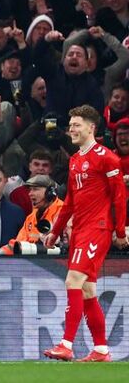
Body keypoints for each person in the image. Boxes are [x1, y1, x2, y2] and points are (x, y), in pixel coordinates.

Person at [43, 105, 128, 362]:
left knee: (73, 282)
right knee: (88, 290)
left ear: (92, 127)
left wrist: (120, 230)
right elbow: (69, 201)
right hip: (79, 230)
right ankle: (101, 350)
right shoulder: (75, 160)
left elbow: (119, 196)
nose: (71, 129)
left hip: (97, 229)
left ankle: (66, 344)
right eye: (70, 125)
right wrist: (55, 232)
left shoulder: (107, 158)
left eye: (76, 125)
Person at [0, 174, 64, 255]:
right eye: (30, 190)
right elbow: (18, 243)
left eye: (35, 189)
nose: (30, 194)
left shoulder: (63, 212)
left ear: (50, 193)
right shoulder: (31, 217)